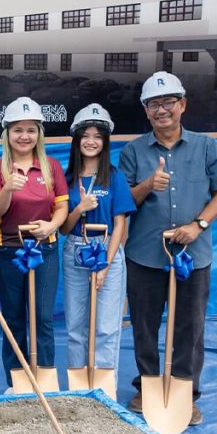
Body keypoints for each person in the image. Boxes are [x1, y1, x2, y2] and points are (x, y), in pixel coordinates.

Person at [119, 71, 217, 426]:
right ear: (146, 110)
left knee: (190, 327)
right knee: (144, 326)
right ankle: (148, 386)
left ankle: (186, 393)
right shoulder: (132, 151)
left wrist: (197, 226)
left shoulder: (206, 146)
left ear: (182, 105)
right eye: (153, 104)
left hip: (192, 256)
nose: (161, 110)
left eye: (168, 102)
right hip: (145, 255)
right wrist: (147, 185)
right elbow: (124, 203)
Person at [0, 97, 68, 389]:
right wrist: (8, 188)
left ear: (39, 133)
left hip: (45, 249)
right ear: (7, 133)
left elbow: (62, 207)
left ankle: (44, 381)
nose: (24, 136)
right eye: (18, 130)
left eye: (31, 130)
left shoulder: (51, 166)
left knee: (43, 317)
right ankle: (16, 382)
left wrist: (52, 226)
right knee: (14, 318)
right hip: (6, 250)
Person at [60, 104, 135, 377]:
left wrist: (106, 265)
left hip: (107, 250)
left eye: (97, 136)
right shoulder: (67, 179)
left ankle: (104, 387)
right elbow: (64, 229)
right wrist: (80, 208)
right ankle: (78, 388)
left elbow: (120, 225)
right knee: (76, 327)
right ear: (76, 139)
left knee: (106, 327)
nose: (91, 141)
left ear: (105, 142)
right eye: (85, 135)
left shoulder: (115, 177)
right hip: (76, 249)